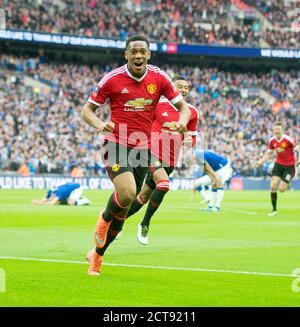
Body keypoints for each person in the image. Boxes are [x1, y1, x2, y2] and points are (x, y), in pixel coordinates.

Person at [81, 35, 191, 275]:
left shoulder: (159, 77)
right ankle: (103, 218)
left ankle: (97, 256)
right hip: (116, 143)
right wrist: (101, 125)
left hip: (144, 147)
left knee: (126, 206)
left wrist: (182, 122)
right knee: (128, 192)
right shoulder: (112, 79)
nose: (139, 56)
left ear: (149, 55)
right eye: (134, 52)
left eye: (143, 52)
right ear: (126, 55)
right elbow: (87, 110)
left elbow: (183, 108)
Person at [122, 76, 199, 245]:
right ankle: (145, 223)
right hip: (151, 153)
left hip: (170, 159)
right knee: (164, 184)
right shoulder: (157, 104)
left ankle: (117, 221)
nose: (184, 90)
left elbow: (192, 137)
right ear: (172, 88)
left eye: (186, 87)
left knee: (142, 197)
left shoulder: (192, 112)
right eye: (180, 86)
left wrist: (189, 142)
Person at [252, 122, 299, 216]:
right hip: (278, 165)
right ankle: (274, 210)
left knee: (282, 189)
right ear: (273, 130)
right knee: (273, 186)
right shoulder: (272, 141)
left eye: (279, 129)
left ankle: (286, 182)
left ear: (282, 130)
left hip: (289, 167)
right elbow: (269, 154)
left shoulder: (288, 139)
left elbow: (298, 149)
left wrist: (299, 161)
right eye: (275, 129)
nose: (277, 131)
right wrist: (260, 162)